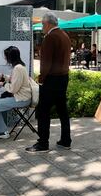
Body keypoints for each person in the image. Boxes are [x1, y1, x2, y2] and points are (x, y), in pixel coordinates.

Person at [26, 12, 71, 153]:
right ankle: (65, 140)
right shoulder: (64, 35)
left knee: (43, 111)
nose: (42, 27)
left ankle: (43, 143)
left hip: (52, 79)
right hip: (63, 77)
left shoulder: (50, 37)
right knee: (62, 110)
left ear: (48, 23)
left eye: (43, 24)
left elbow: (46, 63)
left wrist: (42, 78)